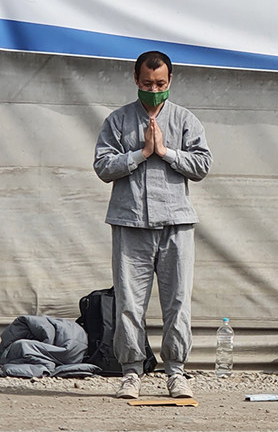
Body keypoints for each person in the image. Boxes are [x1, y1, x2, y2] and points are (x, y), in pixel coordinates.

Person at [94, 51, 212, 399]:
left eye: (160, 83)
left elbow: (202, 164)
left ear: (170, 80)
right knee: (129, 302)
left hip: (176, 222)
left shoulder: (186, 120)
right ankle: (131, 372)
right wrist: (141, 154)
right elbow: (102, 166)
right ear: (135, 80)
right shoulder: (117, 121)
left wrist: (166, 151)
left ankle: (176, 371)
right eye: (147, 83)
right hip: (130, 222)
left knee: (177, 301)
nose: (154, 89)